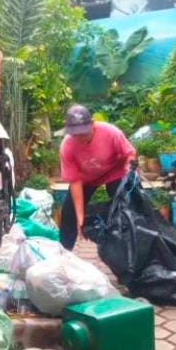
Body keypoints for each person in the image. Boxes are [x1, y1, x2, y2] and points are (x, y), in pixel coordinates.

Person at [59, 104, 136, 250]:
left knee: (130, 204)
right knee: (69, 213)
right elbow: (75, 182)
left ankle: (134, 246)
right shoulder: (67, 146)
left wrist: (130, 172)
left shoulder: (111, 132)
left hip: (115, 172)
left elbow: (129, 153)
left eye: (83, 133)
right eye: (75, 134)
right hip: (86, 178)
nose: (79, 138)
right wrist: (80, 218)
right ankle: (64, 253)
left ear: (93, 124)